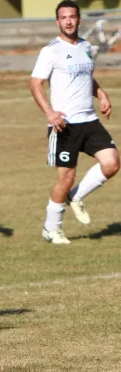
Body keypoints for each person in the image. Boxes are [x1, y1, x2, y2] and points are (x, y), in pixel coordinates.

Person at [30, 1, 119, 244]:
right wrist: (49, 113)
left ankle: (76, 197)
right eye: (63, 17)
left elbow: (86, 77)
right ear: (57, 22)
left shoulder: (87, 46)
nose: (68, 21)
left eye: (72, 16)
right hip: (64, 124)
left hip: (89, 120)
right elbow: (35, 84)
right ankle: (52, 228)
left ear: (79, 20)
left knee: (111, 163)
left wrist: (101, 94)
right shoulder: (50, 51)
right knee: (66, 177)